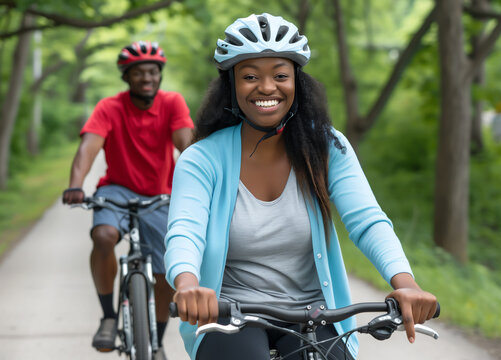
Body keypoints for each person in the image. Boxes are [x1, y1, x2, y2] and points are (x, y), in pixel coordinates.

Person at [165, 13, 437, 360]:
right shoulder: (202, 158)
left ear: (297, 82)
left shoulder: (325, 148)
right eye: (250, 76)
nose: (266, 87)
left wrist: (406, 284)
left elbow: (367, 221)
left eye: (280, 75)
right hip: (228, 315)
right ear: (231, 85)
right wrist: (189, 286)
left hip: (314, 314)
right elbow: (185, 230)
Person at [63, 40, 194, 359]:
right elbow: (89, 147)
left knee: (167, 269)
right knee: (104, 235)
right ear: (127, 77)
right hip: (117, 189)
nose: (147, 78)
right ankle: (108, 316)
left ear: (160, 75)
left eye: (153, 72)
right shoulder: (110, 107)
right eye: (139, 73)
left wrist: (202, 184)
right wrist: (76, 184)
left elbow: (187, 147)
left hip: (162, 192)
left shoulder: (172, 103)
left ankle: (158, 340)